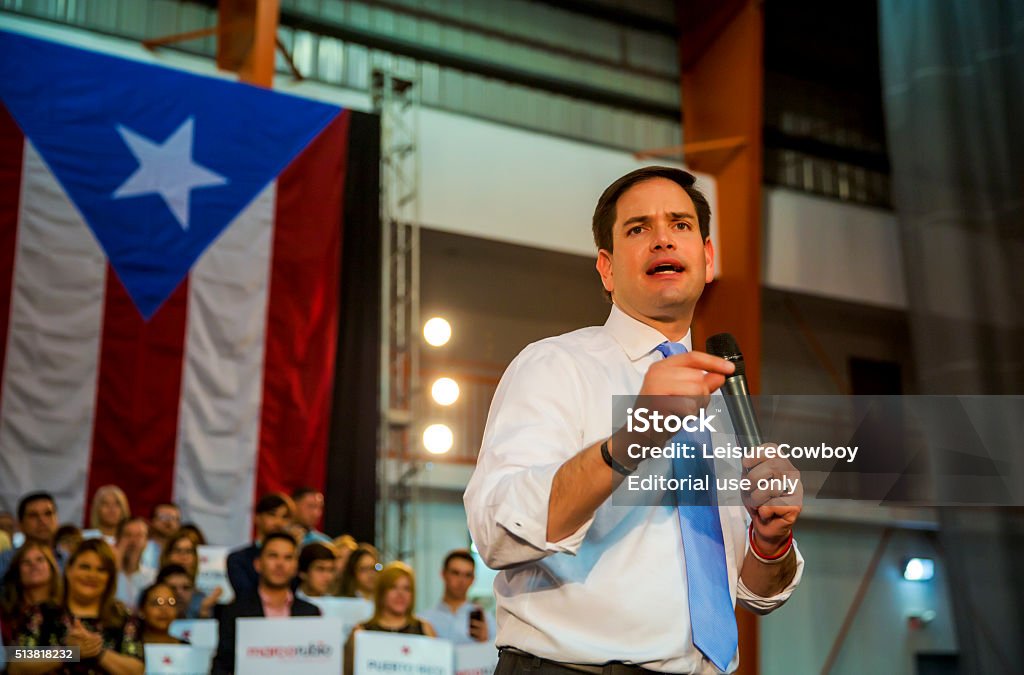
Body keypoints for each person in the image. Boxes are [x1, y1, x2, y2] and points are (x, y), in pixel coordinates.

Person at [465, 167, 805, 674]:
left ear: (707, 258)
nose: (663, 238)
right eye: (638, 228)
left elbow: (753, 593)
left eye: (680, 224)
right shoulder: (555, 365)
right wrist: (633, 437)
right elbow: (496, 529)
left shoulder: (721, 398)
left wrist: (771, 541)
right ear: (606, 269)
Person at [11, 538, 143, 675]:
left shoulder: (124, 617)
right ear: (69, 570)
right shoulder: (40, 613)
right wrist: (67, 652)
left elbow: (137, 670)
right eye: (85, 567)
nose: (92, 575)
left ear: (110, 577)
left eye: (101, 570)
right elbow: (15, 666)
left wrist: (96, 651)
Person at [211, 532, 320, 675]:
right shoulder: (235, 612)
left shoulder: (311, 613)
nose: (280, 564)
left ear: (296, 567)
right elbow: (222, 666)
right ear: (258, 564)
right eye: (273, 556)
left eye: (288, 558)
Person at [344, 562, 435, 673]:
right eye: (393, 587)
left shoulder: (425, 629)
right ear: (381, 592)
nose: (400, 594)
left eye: (407, 588)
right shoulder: (361, 632)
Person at [225, 492, 293, 598]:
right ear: (257, 517)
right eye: (272, 515)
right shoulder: (238, 559)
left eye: (284, 517)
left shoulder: (297, 557)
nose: (278, 522)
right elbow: (246, 596)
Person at [420, 549, 494, 645]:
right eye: (455, 573)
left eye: (467, 575)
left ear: (473, 579)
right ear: (443, 574)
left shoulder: (487, 622)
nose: (461, 580)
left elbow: (494, 653)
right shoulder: (423, 620)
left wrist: (485, 642)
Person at [0, 543, 62, 648]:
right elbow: (7, 655)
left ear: (51, 567)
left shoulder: (66, 610)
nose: (33, 565)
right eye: (26, 562)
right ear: (17, 572)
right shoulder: (5, 614)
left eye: (40, 560)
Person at [0, 492, 61, 582]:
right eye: (33, 515)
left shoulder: (69, 560)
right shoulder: (5, 561)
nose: (42, 520)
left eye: (48, 514)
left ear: (57, 519)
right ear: (20, 524)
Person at [157, 532, 220, 619]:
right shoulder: (154, 588)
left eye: (188, 551)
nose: (183, 557)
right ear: (167, 555)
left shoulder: (204, 596)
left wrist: (204, 614)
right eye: (177, 551)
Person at [113, 518, 155, 611]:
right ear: (117, 540)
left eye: (139, 536)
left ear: (146, 542)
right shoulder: (107, 574)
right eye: (128, 535)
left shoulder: (153, 577)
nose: (133, 541)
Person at [141, 503, 180, 570]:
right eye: (163, 517)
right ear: (152, 521)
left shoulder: (185, 550)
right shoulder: (142, 548)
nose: (169, 522)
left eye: (173, 518)